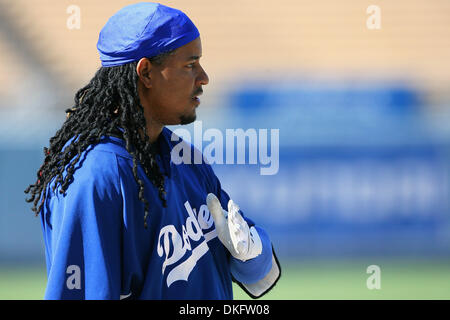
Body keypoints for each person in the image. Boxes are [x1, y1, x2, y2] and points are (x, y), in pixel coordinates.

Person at [25, 2, 280, 300]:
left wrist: (250, 251)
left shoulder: (185, 158)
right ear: (145, 72)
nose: (204, 78)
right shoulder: (95, 177)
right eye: (190, 65)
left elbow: (254, 272)